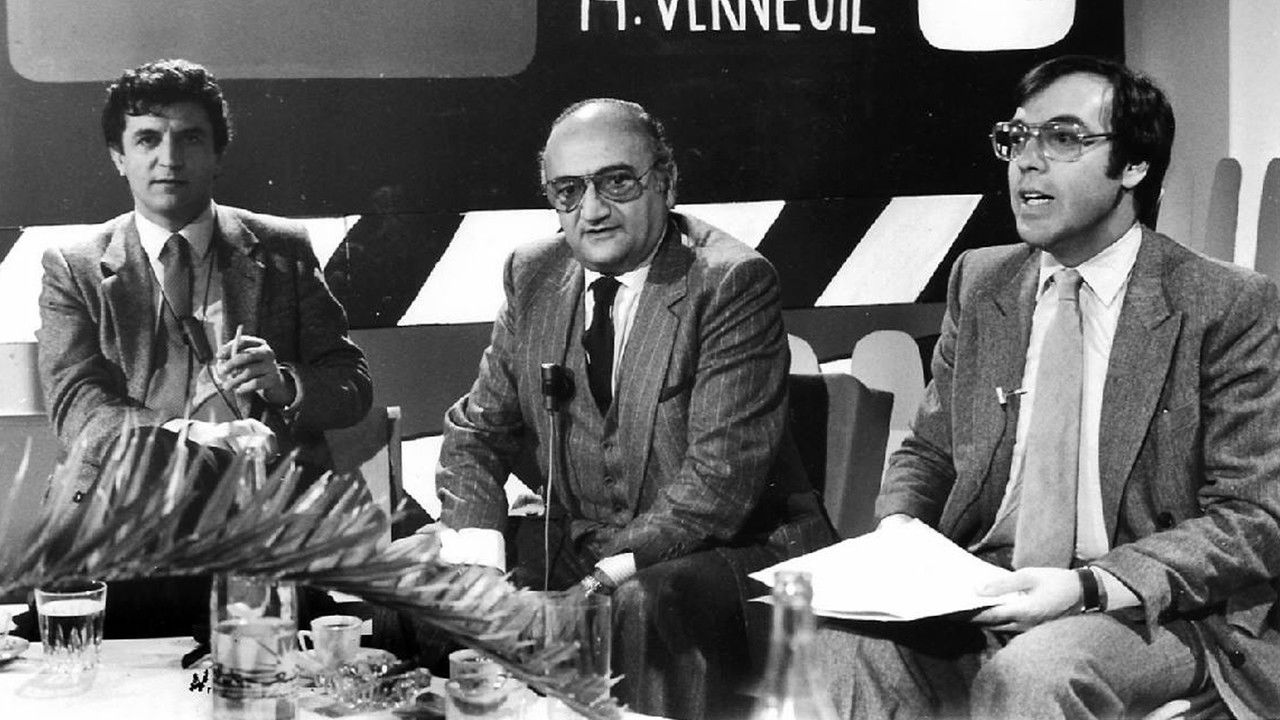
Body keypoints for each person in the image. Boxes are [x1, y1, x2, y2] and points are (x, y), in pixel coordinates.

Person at [816, 55, 1280, 720]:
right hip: (990, 580)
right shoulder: (982, 281)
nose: (1026, 162)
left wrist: (1086, 586)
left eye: (1062, 138)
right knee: (841, 643)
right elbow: (931, 451)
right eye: (1016, 138)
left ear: (1133, 166)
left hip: (1149, 605)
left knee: (1034, 675)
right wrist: (899, 533)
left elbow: (1253, 516)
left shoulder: (1225, 303)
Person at [432, 98, 834, 718]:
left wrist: (596, 583)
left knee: (641, 604)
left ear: (666, 182)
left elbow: (717, 484)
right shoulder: (533, 274)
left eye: (616, 182)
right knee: (425, 579)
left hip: (727, 551)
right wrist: (479, 568)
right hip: (588, 539)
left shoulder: (730, 281)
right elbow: (475, 434)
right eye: (568, 191)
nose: (591, 211)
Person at [36, 58, 372, 635]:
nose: (169, 158)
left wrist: (284, 384)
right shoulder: (76, 268)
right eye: (147, 139)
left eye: (190, 138)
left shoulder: (283, 248)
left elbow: (352, 385)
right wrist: (189, 440)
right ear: (119, 157)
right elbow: (77, 407)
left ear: (218, 154)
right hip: (127, 524)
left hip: (266, 520)